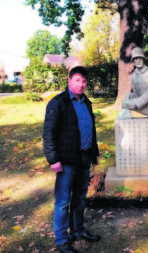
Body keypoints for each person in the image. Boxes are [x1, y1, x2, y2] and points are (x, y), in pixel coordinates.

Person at [43, 66, 101, 253]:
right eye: (78, 80)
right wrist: (53, 160)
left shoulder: (86, 102)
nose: (82, 84)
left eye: (84, 81)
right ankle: (61, 239)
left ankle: (77, 230)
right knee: (62, 202)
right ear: (69, 81)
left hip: (84, 158)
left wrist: (94, 152)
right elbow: (49, 133)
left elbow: (90, 129)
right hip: (66, 161)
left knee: (80, 198)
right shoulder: (58, 103)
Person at [119, 47, 148, 119]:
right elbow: (137, 93)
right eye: (136, 58)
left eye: (140, 58)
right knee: (125, 102)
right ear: (133, 61)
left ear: (143, 59)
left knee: (126, 104)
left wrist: (136, 103)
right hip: (144, 105)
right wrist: (129, 96)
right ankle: (126, 114)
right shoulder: (132, 76)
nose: (138, 61)